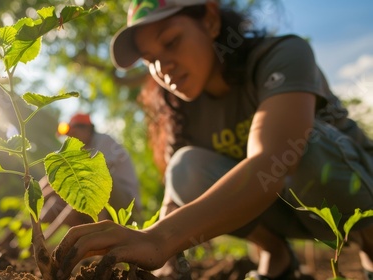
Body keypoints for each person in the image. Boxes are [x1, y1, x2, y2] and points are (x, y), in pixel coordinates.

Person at [53, 0, 373, 279]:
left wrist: (159, 238)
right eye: (150, 60)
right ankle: (276, 254)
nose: (163, 68)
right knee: (184, 167)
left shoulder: (282, 54)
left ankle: (370, 245)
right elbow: (176, 196)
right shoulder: (183, 108)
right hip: (284, 208)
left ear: (210, 19)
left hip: (350, 196)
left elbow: (273, 162)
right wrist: (162, 261)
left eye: (172, 41)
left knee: (301, 145)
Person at [40, 112, 142, 240]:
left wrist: (49, 192)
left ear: (87, 129)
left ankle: (101, 240)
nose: (72, 140)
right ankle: (33, 241)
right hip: (106, 205)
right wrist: (39, 195)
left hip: (126, 204)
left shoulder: (103, 141)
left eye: (74, 135)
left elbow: (93, 176)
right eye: (70, 137)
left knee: (89, 185)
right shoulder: (83, 149)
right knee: (59, 201)